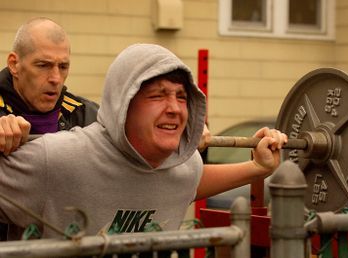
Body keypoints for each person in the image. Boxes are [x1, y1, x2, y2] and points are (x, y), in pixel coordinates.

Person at [0, 43, 287, 240]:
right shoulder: (56, 158)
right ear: (123, 105)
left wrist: (257, 167)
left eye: (181, 97)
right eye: (157, 96)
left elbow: (190, 181)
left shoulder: (182, 168)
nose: (174, 108)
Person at [0, 17, 99, 155]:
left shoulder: (90, 117)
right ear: (14, 64)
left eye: (63, 67)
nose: (56, 79)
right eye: (43, 65)